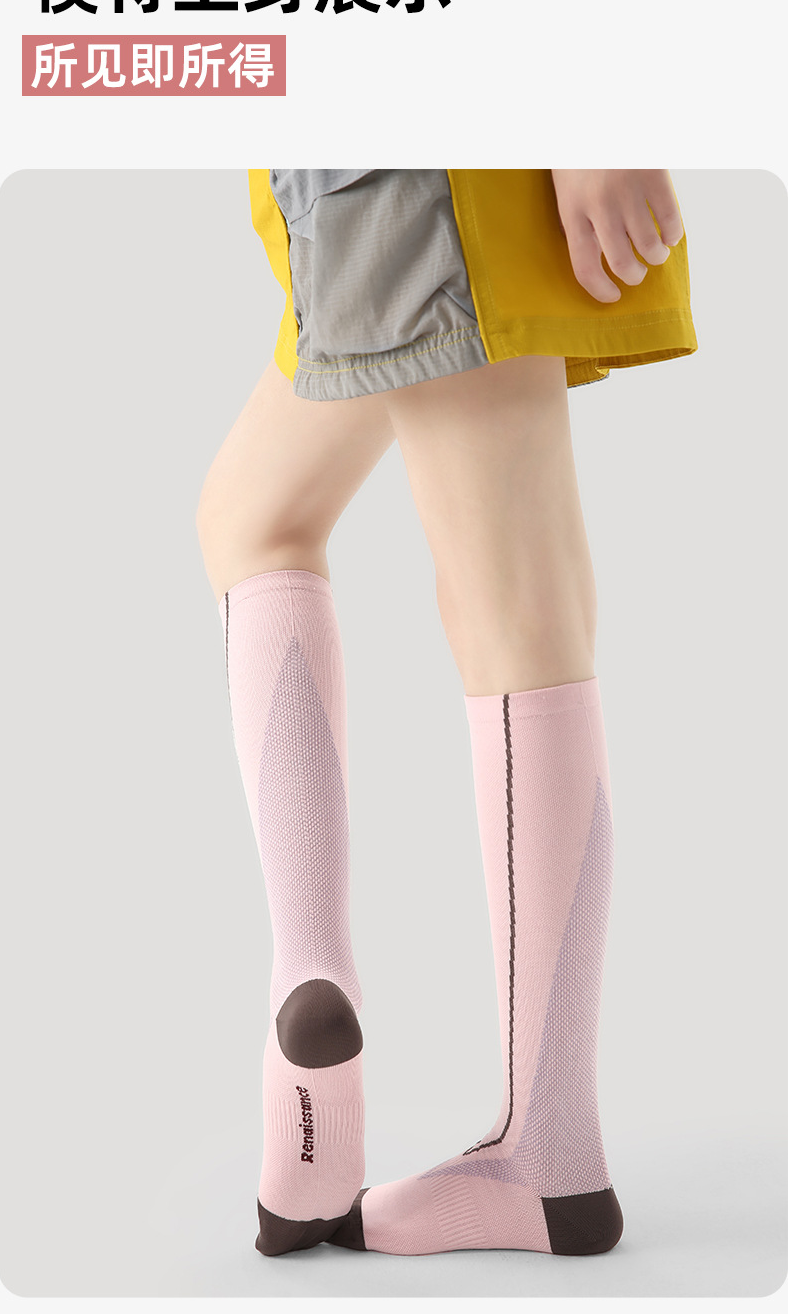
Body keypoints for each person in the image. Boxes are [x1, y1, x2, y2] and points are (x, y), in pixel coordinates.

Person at [195, 169, 697, 1258]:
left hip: (397, 176)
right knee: (270, 518)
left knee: (486, 593)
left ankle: (521, 1135)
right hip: (396, 177)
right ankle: (519, 1129)